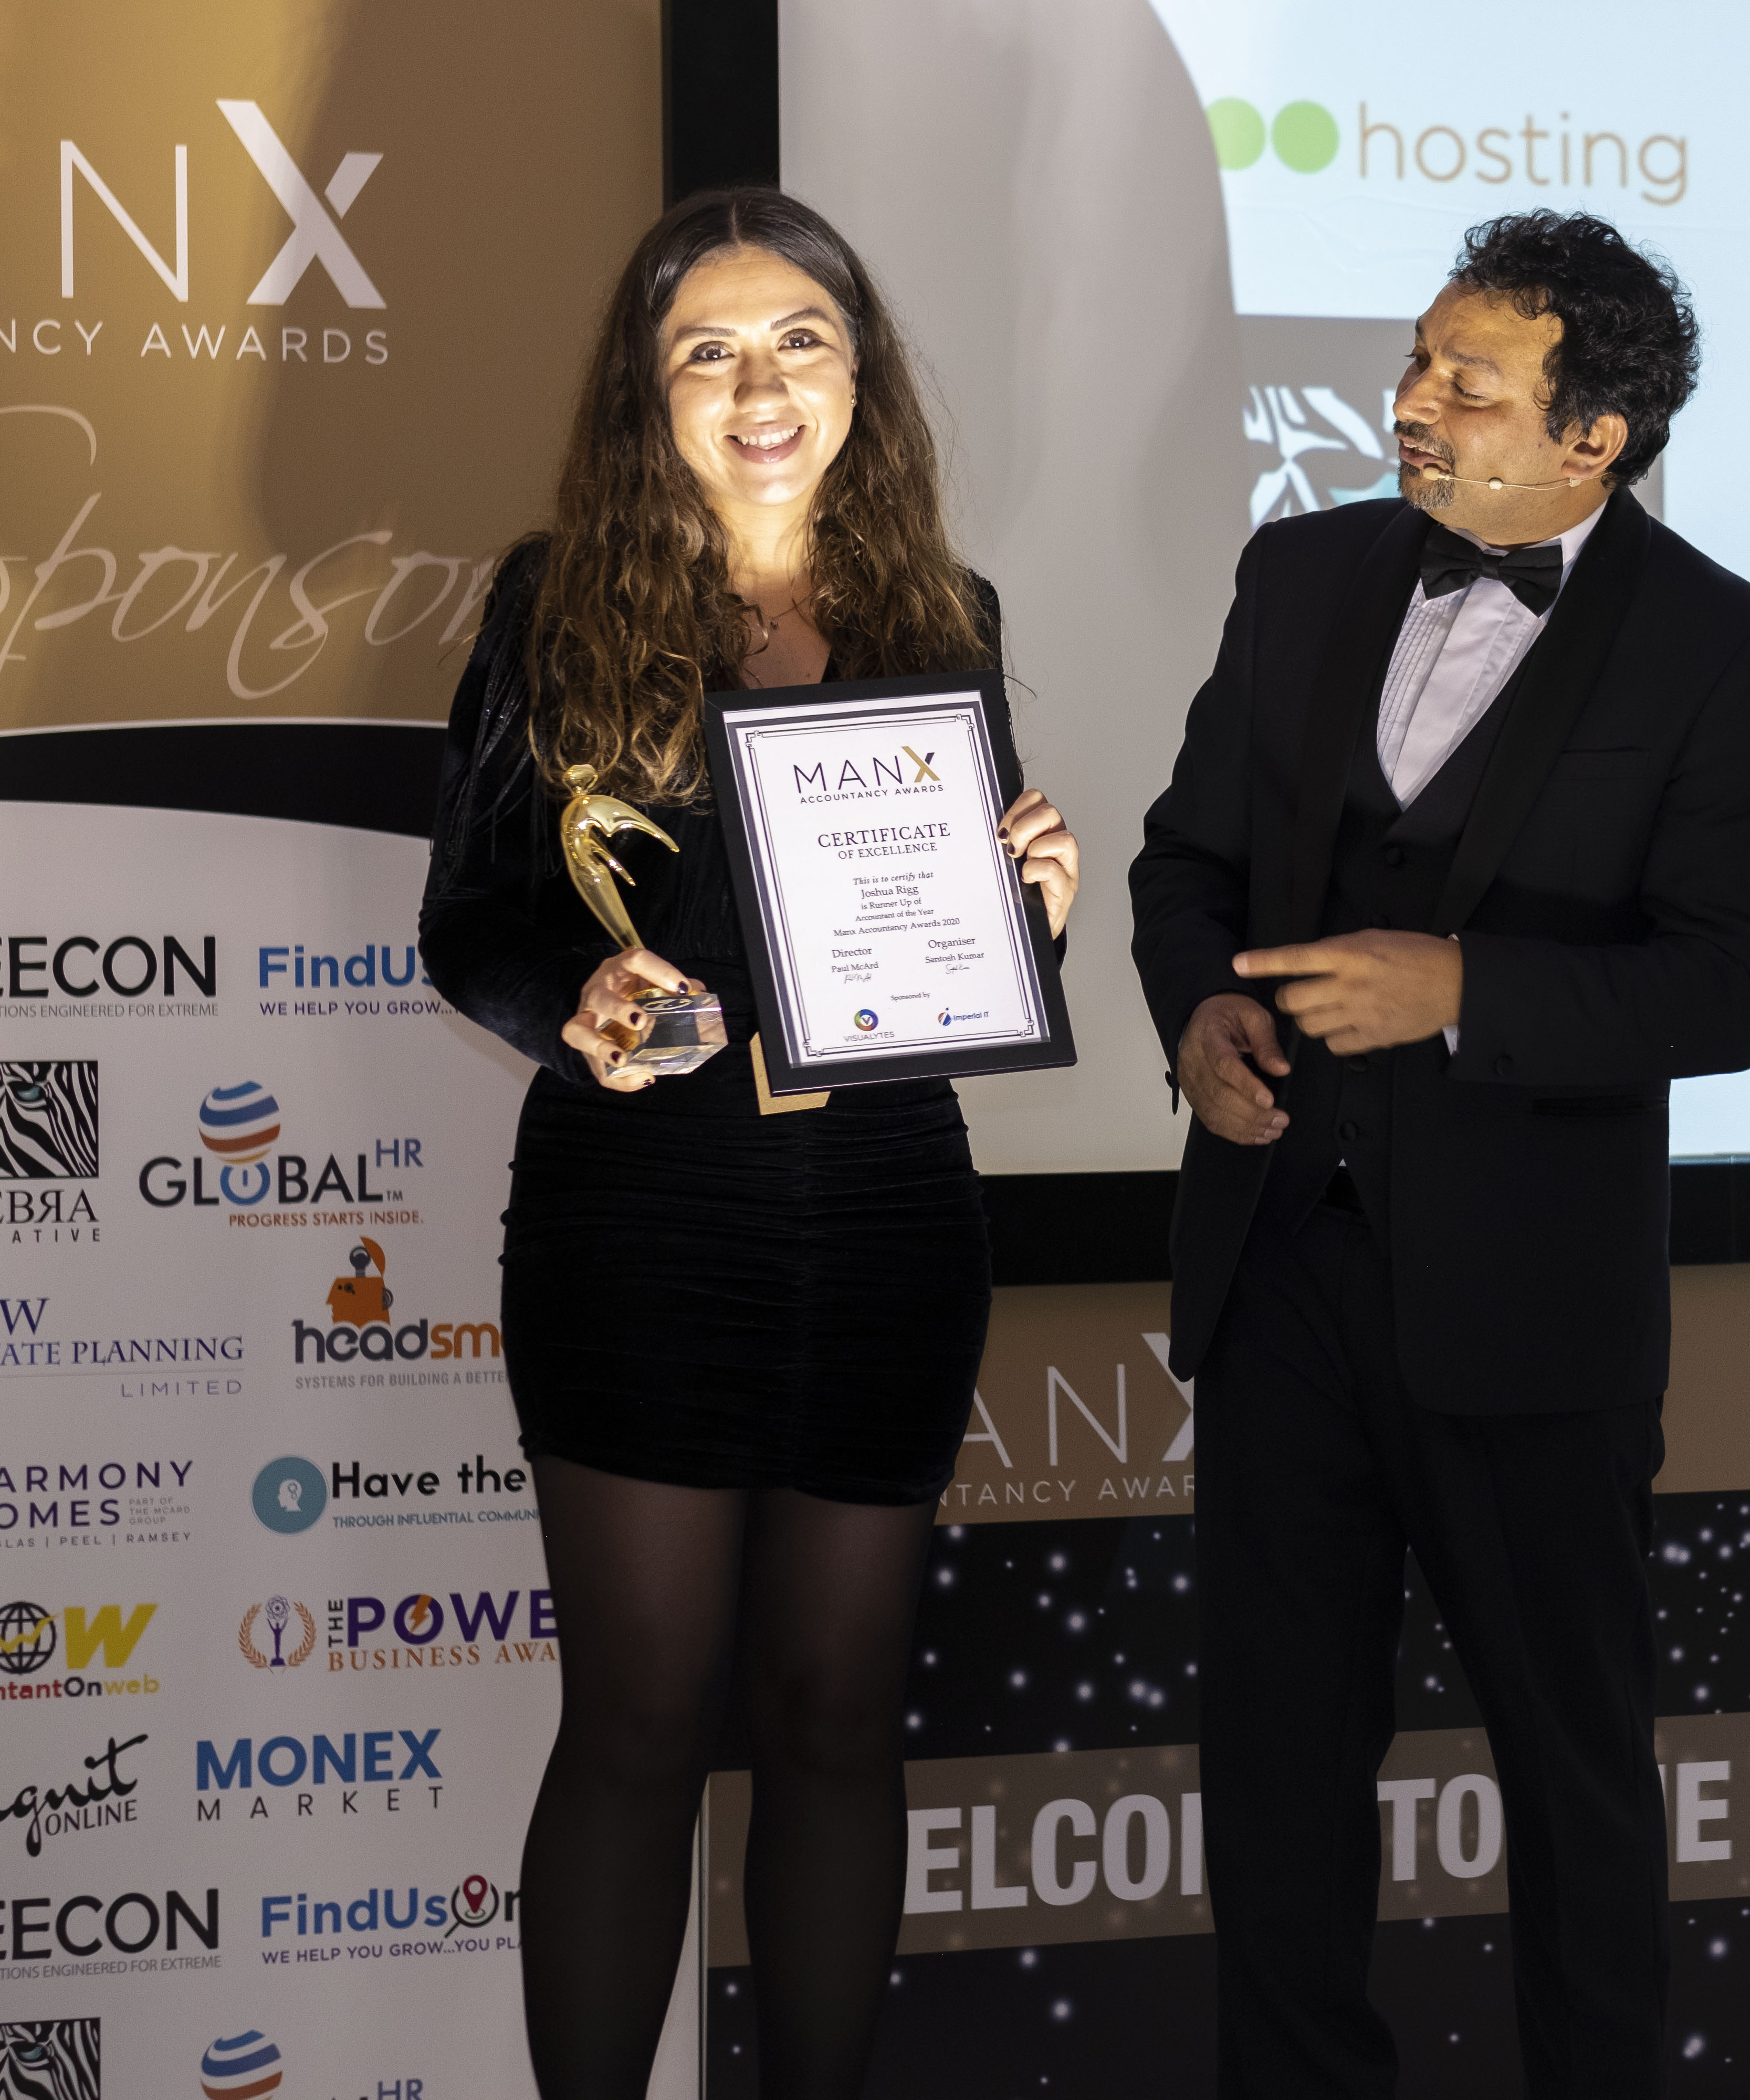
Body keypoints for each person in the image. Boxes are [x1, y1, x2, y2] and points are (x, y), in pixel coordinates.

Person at [1130, 211, 1750, 2097]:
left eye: (1467, 381)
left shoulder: (1729, 649)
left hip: (1529, 1310)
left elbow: (1729, 988)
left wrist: (1463, 989)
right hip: (1279, 1267)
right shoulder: (1297, 572)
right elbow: (1186, 863)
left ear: (1595, 436)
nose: (1411, 402)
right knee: (1278, 1773)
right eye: (1419, 362)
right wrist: (1195, 1017)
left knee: (1573, 1778)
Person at [417, 188, 1077, 2100]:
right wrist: (576, 1002)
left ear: (862, 377)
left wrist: (1029, 916)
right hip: (643, 1215)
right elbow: (470, 920)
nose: (759, 384)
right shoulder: (555, 604)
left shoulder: (947, 616)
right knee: (637, 1729)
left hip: (889, 1211)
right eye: (707, 351)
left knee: (839, 1722)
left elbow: (936, 964)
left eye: (801, 340)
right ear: (651, 395)